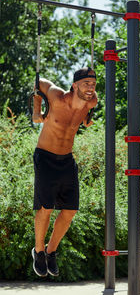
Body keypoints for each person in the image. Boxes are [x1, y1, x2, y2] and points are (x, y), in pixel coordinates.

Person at [31, 67, 97, 277]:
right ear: (74, 85)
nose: (91, 88)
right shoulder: (56, 96)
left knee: (70, 211)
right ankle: (39, 251)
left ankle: (51, 251)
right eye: (86, 84)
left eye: (93, 84)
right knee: (46, 207)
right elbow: (37, 82)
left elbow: (85, 116)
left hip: (67, 160)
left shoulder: (91, 101)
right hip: (45, 157)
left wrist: (86, 119)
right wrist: (36, 111)